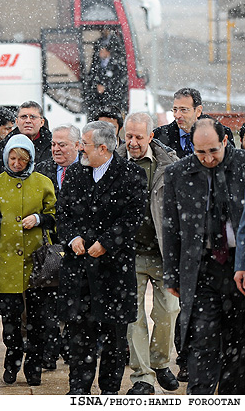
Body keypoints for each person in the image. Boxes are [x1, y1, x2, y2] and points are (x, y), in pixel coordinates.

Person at [56, 121, 147, 395]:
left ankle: (109, 391)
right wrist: (73, 238)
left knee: (114, 340)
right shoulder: (75, 174)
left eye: (85, 144)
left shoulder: (131, 174)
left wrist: (107, 243)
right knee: (79, 335)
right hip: (79, 268)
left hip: (113, 270)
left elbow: (134, 217)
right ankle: (78, 390)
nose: (80, 149)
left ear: (103, 148)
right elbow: (62, 214)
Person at [163, 118, 245, 395]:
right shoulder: (178, 173)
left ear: (224, 141)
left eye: (213, 150)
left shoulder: (242, 167)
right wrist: (171, 273)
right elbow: (171, 227)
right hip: (200, 267)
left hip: (239, 266)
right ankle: (200, 398)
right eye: (201, 152)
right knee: (202, 339)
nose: (208, 158)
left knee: (239, 342)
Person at [0, 134, 56, 386]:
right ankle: (12, 359)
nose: (16, 163)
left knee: (38, 319)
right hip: (6, 260)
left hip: (37, 260)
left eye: (21, 159)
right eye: (12, 158)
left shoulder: (43, 183)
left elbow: (55, 214)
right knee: (10, 318)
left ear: (30, 159)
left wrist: (39, 218)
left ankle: (33, 364)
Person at [116, 112, 180, 395]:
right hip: (128, 253)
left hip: (163, 253)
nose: (132, 142)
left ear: (151, 136)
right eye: (128, 136)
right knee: (134, 316)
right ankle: (142, 377)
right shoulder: (113, 163)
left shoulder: (170, 164)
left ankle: (160, 362)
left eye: (138, 137)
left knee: (168, 311)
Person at [35, 124, 81, 368]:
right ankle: (49, 352)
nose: (56, 149)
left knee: (74, 303)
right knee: (48, 303)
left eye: (62, 144)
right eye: (53, 144)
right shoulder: (43, 170)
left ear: (77, 145)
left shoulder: (86, 169)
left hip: (78, 247)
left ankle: (72, 350)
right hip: (50, 248)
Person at [154, 88, 235, 159]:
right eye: (175, 110)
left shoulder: (220, 133)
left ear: (198, 111)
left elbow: (230, 166)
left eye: (183, 109)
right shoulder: (158, 136)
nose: (177, 115)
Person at [0, 101, 52, 176]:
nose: (28, 121)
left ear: (42, 122)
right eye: (23, 117)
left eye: (33, 117)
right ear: (16, 121)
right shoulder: (0, 148)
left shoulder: (54, 147)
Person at [85, 37, 128, 121]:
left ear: (107, 51)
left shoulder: (117, 64)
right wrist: (96, 87)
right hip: (98, 101)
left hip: (111, 101)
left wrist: (106, 87)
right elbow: (91, 77)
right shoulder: (96, 63)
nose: (99, 53)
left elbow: (119, 82)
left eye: (102, 50)